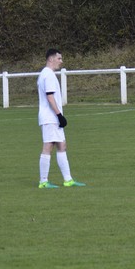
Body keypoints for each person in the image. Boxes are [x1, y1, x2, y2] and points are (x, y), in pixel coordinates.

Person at [37, 48, 85, 189]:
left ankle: (67, 179)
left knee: (61, 145)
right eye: (59, 58)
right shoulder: (48, 75)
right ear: (51, 59)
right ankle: (43, 181)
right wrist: (59, 115)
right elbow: (50, 96)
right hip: (50, 117)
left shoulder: (46, 74)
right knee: (48, 146)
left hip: (52, 117)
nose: (61, 61)